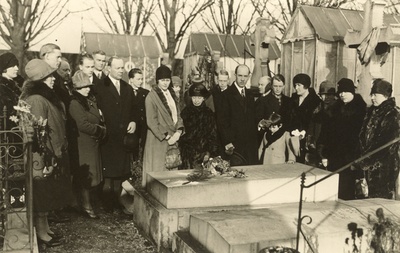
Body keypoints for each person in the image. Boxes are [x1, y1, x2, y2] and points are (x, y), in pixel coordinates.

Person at [21, 59, 74, 247]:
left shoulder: (45, 97)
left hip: (51, 153)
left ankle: (45, 228)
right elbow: (38, 133)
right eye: (48, 77)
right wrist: (47, 156)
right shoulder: (36, 99)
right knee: (41, 195)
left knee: (46, 194)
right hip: (42, 156)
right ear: (39, 81)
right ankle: (41, 232)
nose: (53, 79)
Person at [93, 56, 137, 212]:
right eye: (117, 68)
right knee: (109, 172)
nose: (121, 71)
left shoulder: (127, 87)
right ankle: (107, 203)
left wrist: (133, 121)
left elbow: (134, 108)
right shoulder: (100, 87)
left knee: (121, 172)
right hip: (108, 137)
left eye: (122, 68)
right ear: (108, 68)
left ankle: (118, 201)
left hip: (123, 137)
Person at [69, 70, 105, 219]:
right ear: (76, 88)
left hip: (91, 143)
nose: (87, 89)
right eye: (84, 87)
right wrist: (99, 130)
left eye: (88, 86)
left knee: (92, 176)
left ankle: (87, 204)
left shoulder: (89, 100)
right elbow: (82, 124)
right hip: (83, 143)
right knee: (86, 176)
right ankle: (85, 206)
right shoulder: (75, 103)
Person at [324, 78, 366, 200]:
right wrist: (325, 153)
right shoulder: (334, 110)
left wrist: (357, 158)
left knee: (348, 190)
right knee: (334, 189)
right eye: (340, 92)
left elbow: (362, 137)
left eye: (345, 92)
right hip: (335, 156)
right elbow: (327, 134)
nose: (342, 95)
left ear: (352, 92)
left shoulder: (361, 110)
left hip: (351, 157)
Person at [357, 79, 400, 199]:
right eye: (372, 94)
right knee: (366, 198)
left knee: (379, 200)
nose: (372, 98)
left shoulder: (392, 114)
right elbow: (362, 135)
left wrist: (367, 159)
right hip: (368, 165)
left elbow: (386, 143)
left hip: (383, 167)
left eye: (376, 95)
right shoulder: (372, 111)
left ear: (386, 96)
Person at [142, 65, 184, 187]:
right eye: (162, 80)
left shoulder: (172, 94)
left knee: (172, 169)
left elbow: (178, 114)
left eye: (167, 80)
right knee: (158, 171)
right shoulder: (151, 97)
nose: (165, 83)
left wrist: (178, 132)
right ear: (157, 81)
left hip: (173, 138)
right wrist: (167, 136)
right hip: (158, 140)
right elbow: (152, 121)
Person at [217, 64, 258, 165]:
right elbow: (222, 121)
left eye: (245, 76)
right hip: (234, 146)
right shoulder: (225, 95)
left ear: (249, 76)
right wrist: (227, 142)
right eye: (240, 76)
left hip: (249, 146)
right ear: (235, 75)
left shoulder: (250, 95)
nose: (243, 79)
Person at [180, 82, 219, 169]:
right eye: (194, 97)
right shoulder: (185, 112)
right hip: (187, 154)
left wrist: (209, 152)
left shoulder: (209, 114)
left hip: (203, 154)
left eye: (199, 97)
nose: (196, 100)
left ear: (203, 98)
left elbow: (213, 135)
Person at [289, 73, 322, 164]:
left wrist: (304, 132)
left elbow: (315, 124)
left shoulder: (315, 101)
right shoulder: (293, 100)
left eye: (299, 85)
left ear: (306, 85)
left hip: (308, 141)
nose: (296, 88)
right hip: (293, 139)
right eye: (295, 85)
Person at [255, 74, 292, 145]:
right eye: (275, 86)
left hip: (283, 139)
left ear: (284, 86)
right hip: (268, 138)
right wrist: (261, 123)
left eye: (280, 86)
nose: (278, 89)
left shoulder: (289, 101)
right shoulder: (263, 101)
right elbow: (258, 119)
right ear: (271, 86)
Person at [128, 68, 149, 161]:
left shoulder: (146, 93)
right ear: (131, 79)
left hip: (142, 126)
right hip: (130, 127)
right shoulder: (125, 92)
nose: (140, 81)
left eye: (141, 79)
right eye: (138, 79)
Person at [0, 52, 21, 130]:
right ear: (4, 68)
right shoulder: (2, 88)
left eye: (17, 65)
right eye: (13, 66)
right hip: (7, 131)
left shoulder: (17, 85)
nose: (17, 68)